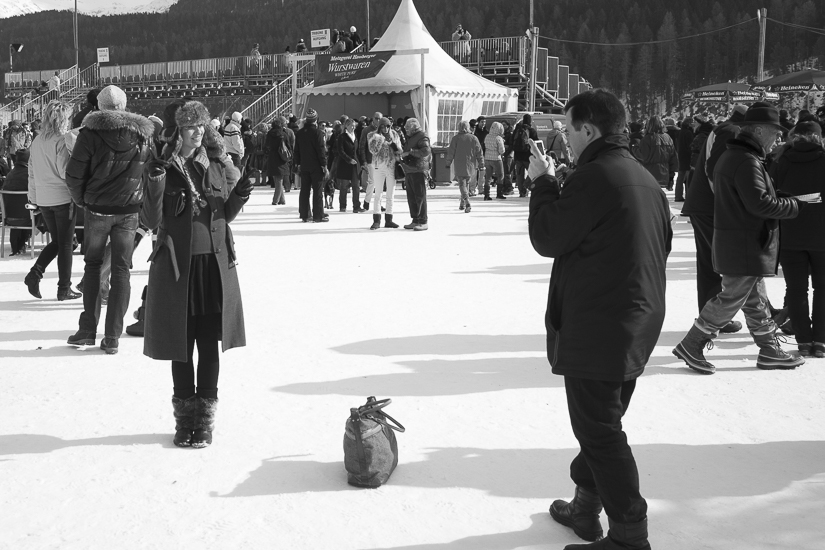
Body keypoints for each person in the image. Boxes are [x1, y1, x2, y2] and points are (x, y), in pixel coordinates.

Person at [529, 89, 671, 550]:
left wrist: (543, 183)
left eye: (568, 129)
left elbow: (549, 236)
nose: (565, 139)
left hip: (603, 323)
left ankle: (630, 533)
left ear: (588, 129)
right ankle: (585, 506)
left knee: (600, 431)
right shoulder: (643, 177)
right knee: (602, 423)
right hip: (635, 320)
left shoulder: (595, 177)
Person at [673, 103, 813, 374]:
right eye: (775, 132)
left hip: (743, 241)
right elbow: (760, 205)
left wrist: (781, 197)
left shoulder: (740, 156)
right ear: (759, 130)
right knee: (732, 298)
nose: (778, 138)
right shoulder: (745, 159)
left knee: (754, 298)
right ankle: (692, 343)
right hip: (745, 242)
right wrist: (795, 205)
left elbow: (753, 197)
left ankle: (769, 349)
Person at [141, 100, 250, 449]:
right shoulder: (162, 166)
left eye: (201, 126)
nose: (198, 132)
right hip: (177, 268)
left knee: (208, 344)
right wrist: (156, 183)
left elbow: (222, 216)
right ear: (178, 131)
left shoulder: (214, 163)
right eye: (191, 127)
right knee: (180, 346)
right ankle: (184, 419)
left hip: (213, 267)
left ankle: (203, 421)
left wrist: (240, 196)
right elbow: (152, 221)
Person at [65, 85, 153, 355]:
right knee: (122, 270)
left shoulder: (89, 134)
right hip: (129, 210)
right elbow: (148, 173)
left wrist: (83, 200)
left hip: (97, 209)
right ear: (124, 106)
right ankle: (113, 336)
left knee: (92, 267)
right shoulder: (142, 133)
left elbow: (74, 174)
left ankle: (87, 330)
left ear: (100, 107)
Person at [680, 104, 747, 333]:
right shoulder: (730, 131)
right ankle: (713, 319)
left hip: (704, 205)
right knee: (717, 263)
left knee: (711, 263)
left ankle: (711, 317)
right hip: (711, 206)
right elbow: (714, 170)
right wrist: (727, 201)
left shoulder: (724, 129)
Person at [770, 121, 825, 357]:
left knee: (795, 288)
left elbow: (771, 194)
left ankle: (803, 340)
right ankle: (821, 340)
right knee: (822, 288)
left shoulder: (781, 159)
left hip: (790, 231)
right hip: (822, 233)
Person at [22, 101, 81, 299]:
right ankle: (63, 288)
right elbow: (65, 172)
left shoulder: (37, 141)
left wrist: (34, 199)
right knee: (65, 244)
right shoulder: (62, 140)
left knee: (59, 242)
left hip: (44, 198)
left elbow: (31, 173)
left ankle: (35, 274)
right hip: (62, 197)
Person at [367, 117, 402, 229]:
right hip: (378, 166)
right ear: (379, 126)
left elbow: (400, 150)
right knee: (378, 194)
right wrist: (380, 140)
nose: (385, 128)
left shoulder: (395, 134)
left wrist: (393, 145)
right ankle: (376, 220)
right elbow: (373, 150)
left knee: (390, 194)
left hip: (391, 166)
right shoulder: (373, 135)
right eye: (383, 126)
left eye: (387, 126)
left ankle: (389, 219)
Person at [293, 108, 329, 222]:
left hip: (304, 165)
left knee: (304, 190)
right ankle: (318, 215)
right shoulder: (318, 133)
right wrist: (324, 165)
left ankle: (305, 214)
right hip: (316, 166)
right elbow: (321, 150)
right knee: (317, 191)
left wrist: (297, 163)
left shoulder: (299, 133)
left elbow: (296, 150)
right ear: (316, 119)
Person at [446, 121, 483, 213]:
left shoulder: (456, 139)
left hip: (459, 164)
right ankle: (462, 203)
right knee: (466, 183)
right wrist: (481, 164)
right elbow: (479, 152)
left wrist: (448, 163)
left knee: (462, 184)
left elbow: (451, 152)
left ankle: (467, 201)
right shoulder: (474, 138)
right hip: (471, 165)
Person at [401, 118, 431, 231]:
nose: (405, 129)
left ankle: (423, 221)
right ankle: (415, 220)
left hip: (419, 169)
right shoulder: (412, 137)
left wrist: (410, 152)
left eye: (407, 127)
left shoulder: (422, 136)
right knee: (412, 197)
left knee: (420, 196)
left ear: (413, 127)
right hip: (410, 169)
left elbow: (426, 151)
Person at [3, 148, 33, 256]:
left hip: (9, 217)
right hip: (28, 216)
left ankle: (18, 245)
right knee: (42, 208)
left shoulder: (10, 175)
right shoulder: (30, 175)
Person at [634, 116, 677, 189]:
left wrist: (635, 150)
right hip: (665, 173)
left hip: (650, 174)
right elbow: (673, 157)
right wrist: (671, 175)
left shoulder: (646, 139)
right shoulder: (668, 138)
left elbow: (643, 157)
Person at [335, 116, 363, 213]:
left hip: (355, 164)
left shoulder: (355, 136)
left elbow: (357, 151)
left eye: (354, 126)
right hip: (345, 164)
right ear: (346, 126)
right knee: (344, 186)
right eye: (351, 126)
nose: (353, 128)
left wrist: (361, 162)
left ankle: (356, 206)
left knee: (356, 185)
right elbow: (340, 151)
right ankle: (343, 206)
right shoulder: (342, 137)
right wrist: (348, 159)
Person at [264, 117, 291, 205]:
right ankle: (276, 200)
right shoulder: (283, 134)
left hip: (272, 156)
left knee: (277, 178)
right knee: (279, 179)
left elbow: (266, 145)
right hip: (282, 157)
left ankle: (281, 200)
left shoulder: (269, 134)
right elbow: (289, 146)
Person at [358, 112, 381, 211]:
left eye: (380, 118)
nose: (378, 120)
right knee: (372, 182)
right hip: (370, 159)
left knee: (379, 183)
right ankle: (367, 202)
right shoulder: (366, 130)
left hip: (380, 160)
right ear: (373, 118)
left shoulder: (383, 129)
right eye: (376, 118)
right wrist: (363, 161)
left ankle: (378, 203)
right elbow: (362, 146)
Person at [512, 114, 538, 197]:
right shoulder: (532, 131)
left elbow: (512, 141)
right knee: (532, 173)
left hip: (517, 156)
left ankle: (521, 192)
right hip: (528, 156)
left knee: (519, 175)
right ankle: (525, 186)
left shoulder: (517, 130)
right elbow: (536, 143)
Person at [483, 121, 507, 200]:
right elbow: (502, 151)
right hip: (496, 159)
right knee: (500, 175)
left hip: (487, 158)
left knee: (488, 177)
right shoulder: (498, 138)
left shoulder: (487, 136)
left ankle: (486, 195)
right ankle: (499, 193)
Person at [674, 118, 694, 202]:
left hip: (680, 155)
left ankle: (678, 195)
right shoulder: (688, 133)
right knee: (688, 177)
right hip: (687, 156)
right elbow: (690, 146)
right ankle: (689, 195)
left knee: (680, 177)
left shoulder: (679, 132)